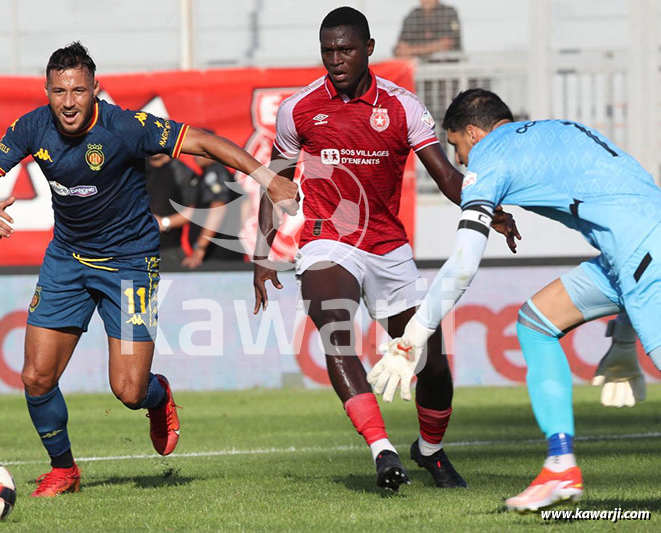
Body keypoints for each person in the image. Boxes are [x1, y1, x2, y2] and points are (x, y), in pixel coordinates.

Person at [0, 42, 298, 498]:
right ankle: (64, 470)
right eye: (58, 91)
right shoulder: (31, 127)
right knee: (36, 377)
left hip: (130, 265)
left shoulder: (124, 127)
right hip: (67, 260)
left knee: (129, 391)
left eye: (78, 90)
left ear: (95, 90)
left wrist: (268, 177)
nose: (69, 101)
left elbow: (201, 140)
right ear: (46, 92)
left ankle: (158, 397)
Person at [253, 8, 519, 491]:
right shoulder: (299, 109)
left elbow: (446, 178)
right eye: (328, 50)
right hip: (327, 242)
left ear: (369, 49)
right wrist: (260, 254)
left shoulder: (403, 107)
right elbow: (277, 184)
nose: (336, 59)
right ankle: (383, 451)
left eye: (346, 49)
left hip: (387, 247)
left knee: (431, 359)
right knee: (335, 328)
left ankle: (430, 452)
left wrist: (489, 210)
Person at [368, 88, 660, 510]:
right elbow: (632, 207)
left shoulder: (489, 158)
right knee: (536, 322)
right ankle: (560, 466)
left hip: (642, 256)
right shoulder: (560, 127)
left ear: (473, 134)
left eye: (456, 147)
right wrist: (624, 343)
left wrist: (411, 338)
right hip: (630, 253)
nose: (460, 162)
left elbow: (464, 264)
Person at [393, 0, 462, 61]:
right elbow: (400, 47)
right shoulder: (413, 15)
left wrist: (412, 51)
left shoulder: (448, 12)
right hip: (419, 69)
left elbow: (447, 44)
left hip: (447, 67)